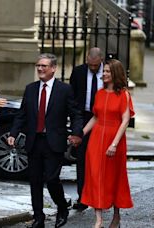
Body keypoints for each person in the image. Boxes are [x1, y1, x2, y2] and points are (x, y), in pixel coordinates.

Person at [7, 53, 83, 228]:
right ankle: (38, 218)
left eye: (44, 66)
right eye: (38, 66)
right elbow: (22, 115)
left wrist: (77, 133)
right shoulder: (31, 89)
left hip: (54, 142)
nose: (40, 69)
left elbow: (76, 114)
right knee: (34, 180)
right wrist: (13, 133)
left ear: (53, 68)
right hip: (34, 141)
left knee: (51, 178)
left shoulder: (64, 90)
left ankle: (62, 207)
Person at [81, 59, 134, 228]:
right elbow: (96, 117)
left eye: (108, 72)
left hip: (115, 139)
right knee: (95, 176)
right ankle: (98, 220)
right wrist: (81, 134)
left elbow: (125, 120)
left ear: (115, 74)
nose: (104, 74)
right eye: (104, 71)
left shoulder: (124, 94)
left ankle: (116, 216)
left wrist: (114, 144)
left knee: (114, 177)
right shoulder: (99, 93)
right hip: (96, 139)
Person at [69, 47, 104, 211]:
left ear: (101, 60)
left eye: (96, 66)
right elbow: (73, 98)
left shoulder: (110, 72)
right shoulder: (78, 72)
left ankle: (101, 195)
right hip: (83, 117)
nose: (93, 69)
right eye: (90, 65)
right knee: (82, 158)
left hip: (104, 120)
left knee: (101, 159)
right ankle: (82, 197)